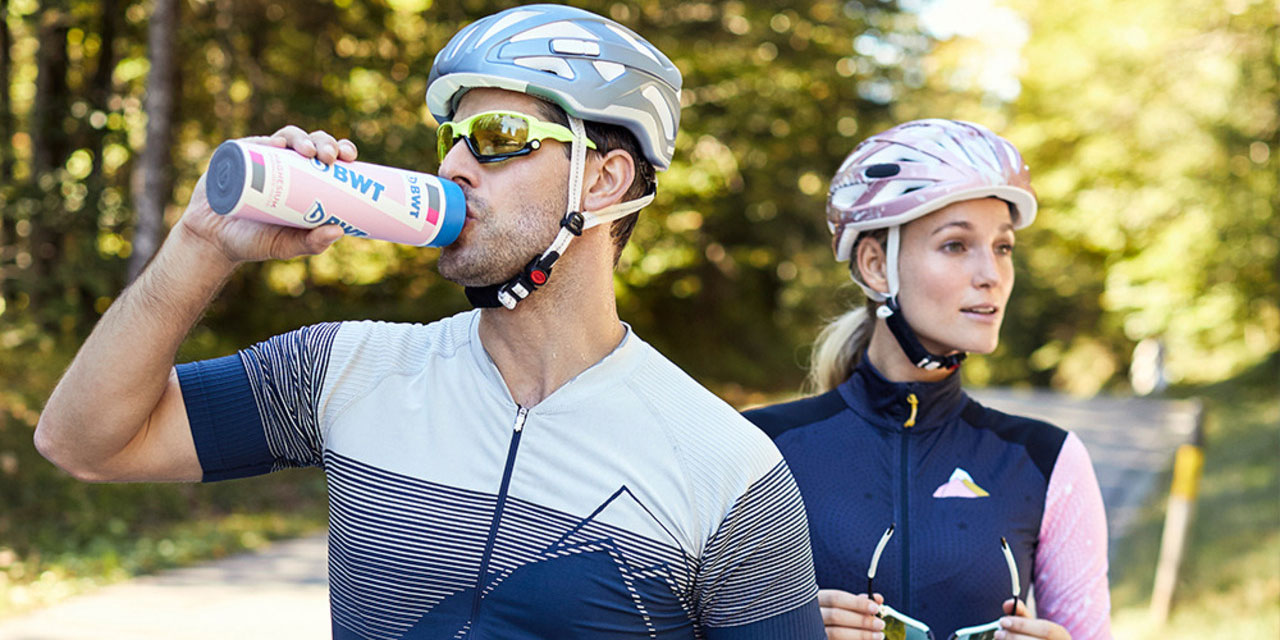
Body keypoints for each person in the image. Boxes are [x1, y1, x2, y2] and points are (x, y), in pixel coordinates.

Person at [34, 6, 825, 639]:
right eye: (452, 137)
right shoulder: (343, 367)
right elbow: (83, 442)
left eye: (500, 138)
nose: (452, 164)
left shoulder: (728, 469)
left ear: (607, 179)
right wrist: (202, 243)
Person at [744, 119, 1112, 640]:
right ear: (876, 266)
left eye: (1003, 247)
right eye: (956, 245)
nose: (991, 273)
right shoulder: (758, 449)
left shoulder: (1049, 460)